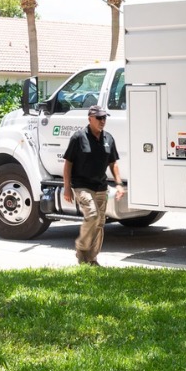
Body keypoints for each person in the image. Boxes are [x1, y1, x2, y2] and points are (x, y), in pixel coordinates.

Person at [62, 105, 125, 266]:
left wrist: (118, 184)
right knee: (92, 215)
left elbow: (113, 163)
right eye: (99, 118)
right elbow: (68, 163)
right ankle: (81, 248)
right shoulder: (78, 137)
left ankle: (92, 259)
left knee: (99, 223)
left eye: (104, 118)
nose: (102, 121)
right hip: (82, 185)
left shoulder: (108, 139)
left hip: (101, 186)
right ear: (90, 118)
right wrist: (67, 187)